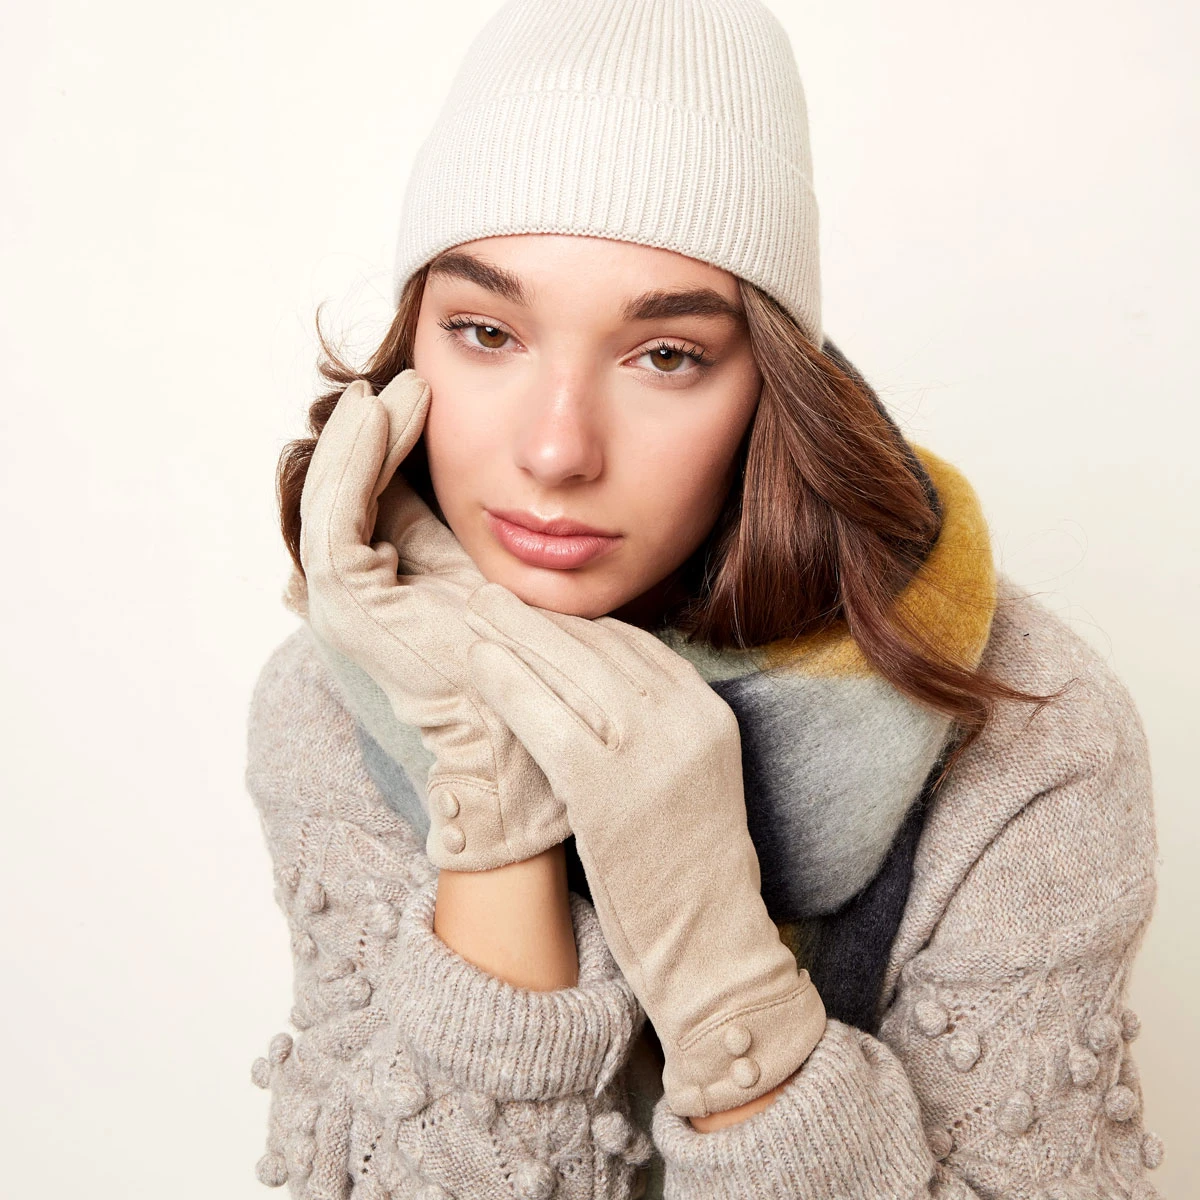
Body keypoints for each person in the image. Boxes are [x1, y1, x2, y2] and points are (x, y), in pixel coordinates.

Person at [245, 1, 1165, 1197]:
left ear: (769, 388)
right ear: (411, 357)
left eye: (666, 354)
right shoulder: (340, 704)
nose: (558, 449)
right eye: (486, 331)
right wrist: (487, 782)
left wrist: (722, 975)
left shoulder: (1027, 730)